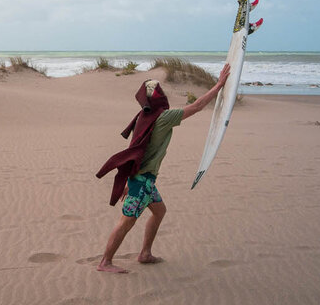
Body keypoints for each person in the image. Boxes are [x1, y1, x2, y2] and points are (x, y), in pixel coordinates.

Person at [95, 64, 230, 273]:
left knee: (159, 212)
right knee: (126, 221)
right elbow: (196, 107)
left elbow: (135, 149)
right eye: (159, 91)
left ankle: (145, 254)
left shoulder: (142, 117)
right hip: (142, 182)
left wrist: (129, 180)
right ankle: (105, 262)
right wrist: (219, 85)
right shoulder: (162, 117)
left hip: (143, 181)